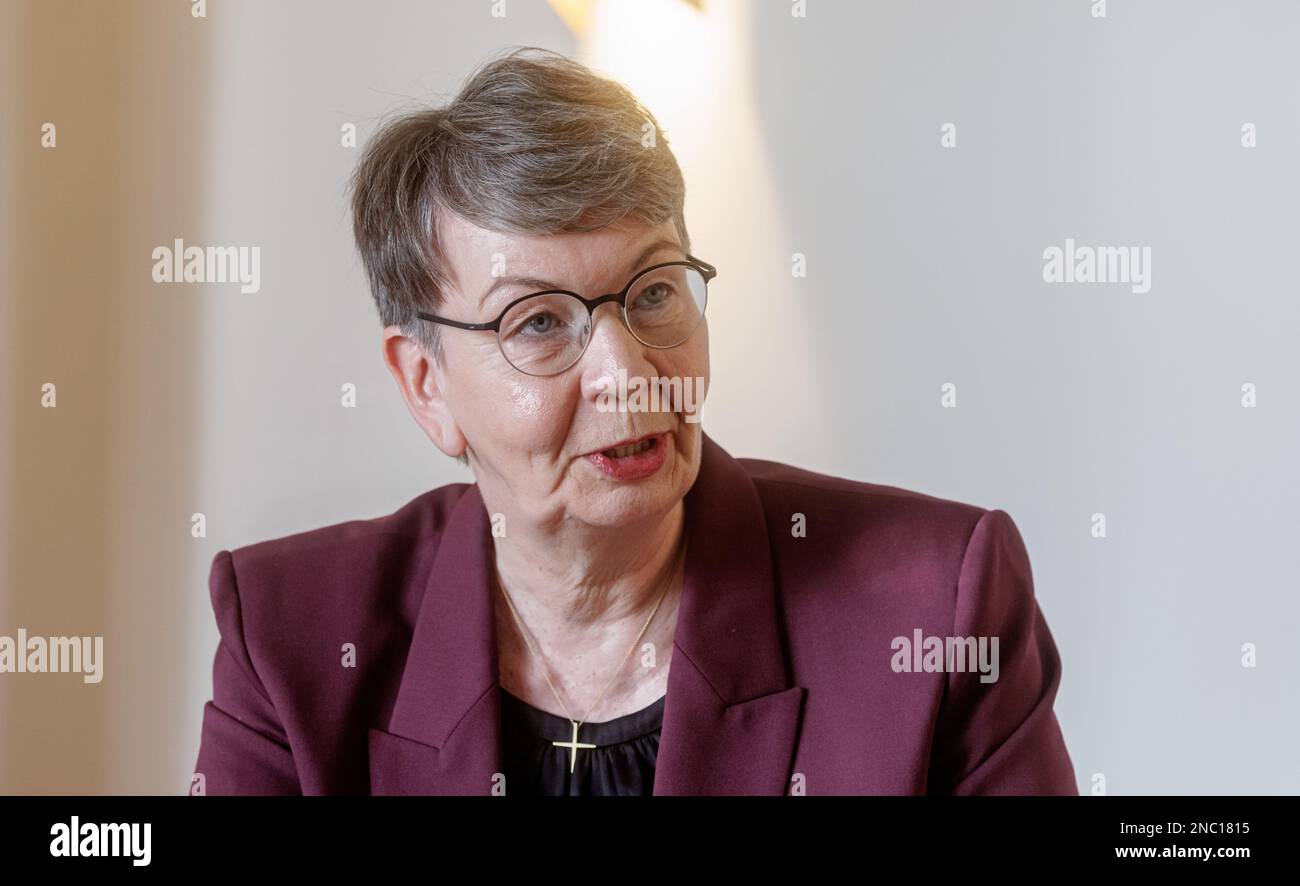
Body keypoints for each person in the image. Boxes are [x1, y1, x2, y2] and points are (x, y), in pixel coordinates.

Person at [190, 46, 1077, 796]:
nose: (628, 374)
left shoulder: (933, 608)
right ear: (425, 383)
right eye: (538, 322)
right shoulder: (291, 635)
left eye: (653, 293)